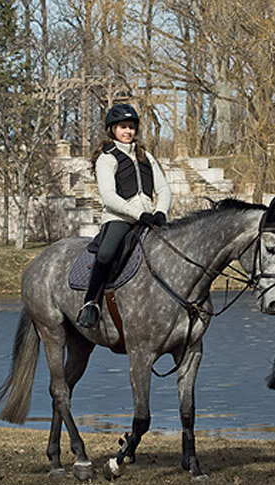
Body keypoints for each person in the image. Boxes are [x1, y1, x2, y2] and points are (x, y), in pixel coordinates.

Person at [76, 103, 172, 329]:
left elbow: (164, 189)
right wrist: (138, 213)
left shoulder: (146, 156)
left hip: (148, 218)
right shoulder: (106, 158)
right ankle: (91, 303)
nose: (128, 131)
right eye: (122, 127)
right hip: (119, 219)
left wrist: (160, 211)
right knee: (107, 253)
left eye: (131, 127)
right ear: (112, 129)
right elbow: (109, 197)